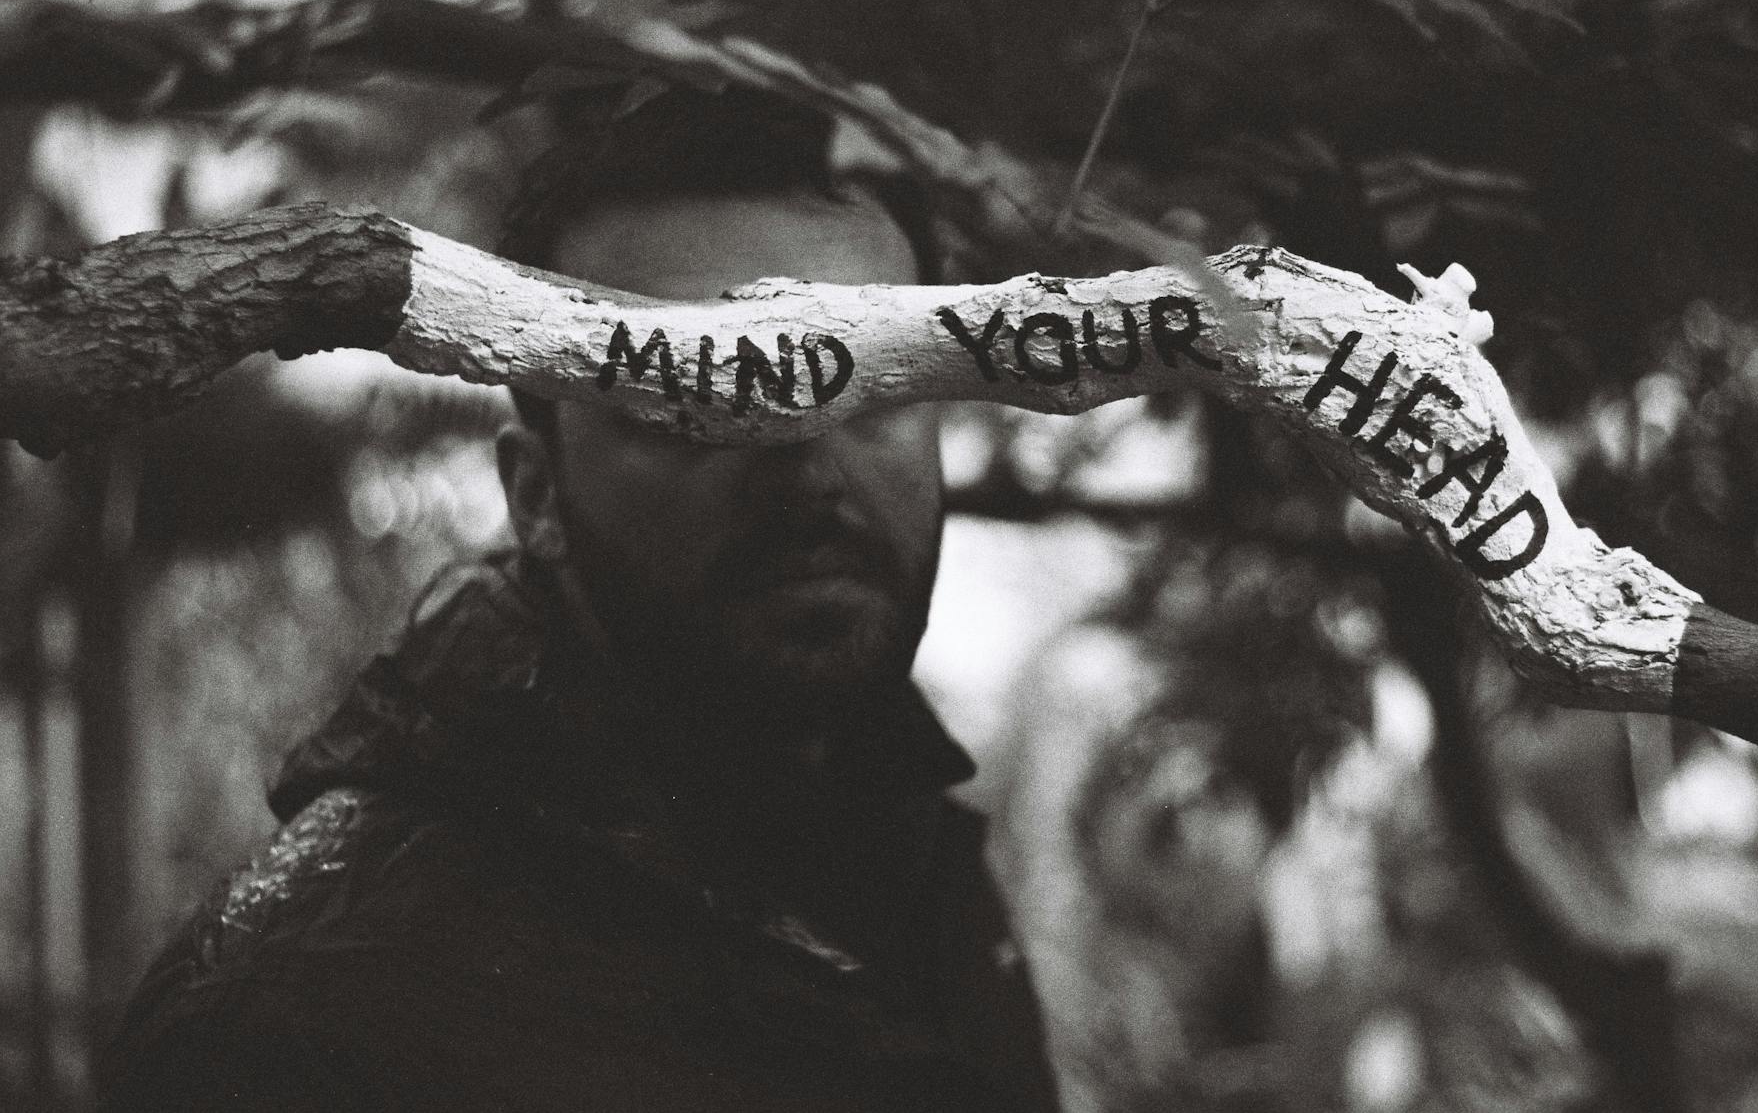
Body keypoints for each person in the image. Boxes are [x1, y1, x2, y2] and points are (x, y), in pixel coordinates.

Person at [100, 87, 1061, 1112]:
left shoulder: (917, 858)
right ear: (536, 493)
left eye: (876, 389)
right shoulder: (296, 1018)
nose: (809, 473)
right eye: (701, 397)